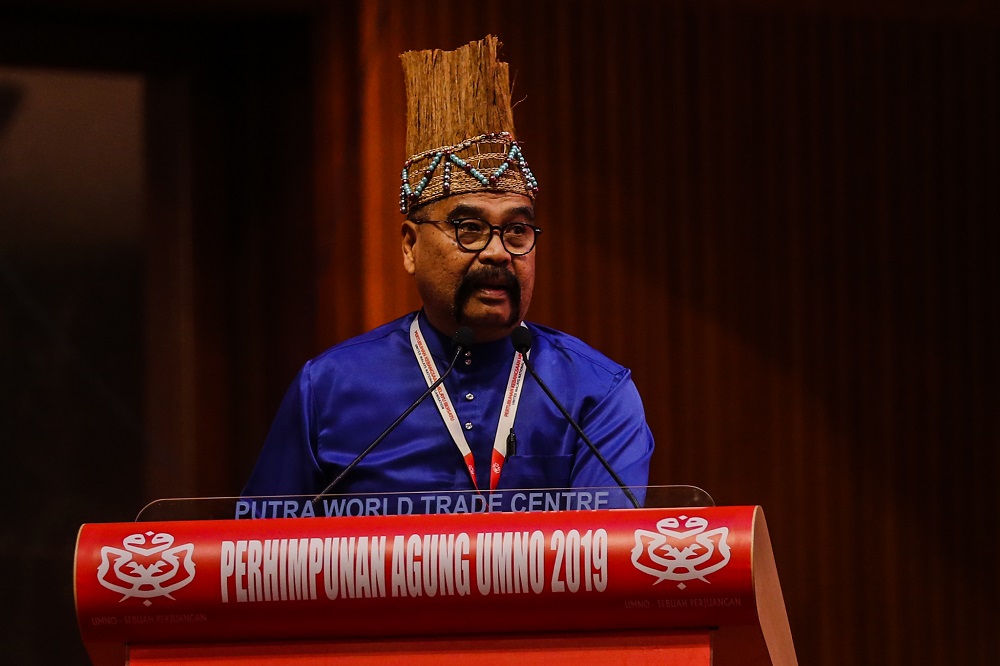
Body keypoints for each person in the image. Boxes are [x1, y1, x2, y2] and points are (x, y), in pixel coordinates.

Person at [242, 37, 654, 500]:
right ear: (410, 246)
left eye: (517, 231)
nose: (498, 253)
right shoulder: (329, 388)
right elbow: (258, 541)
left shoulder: (595, 392)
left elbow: (609, 544)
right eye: (469, 229)